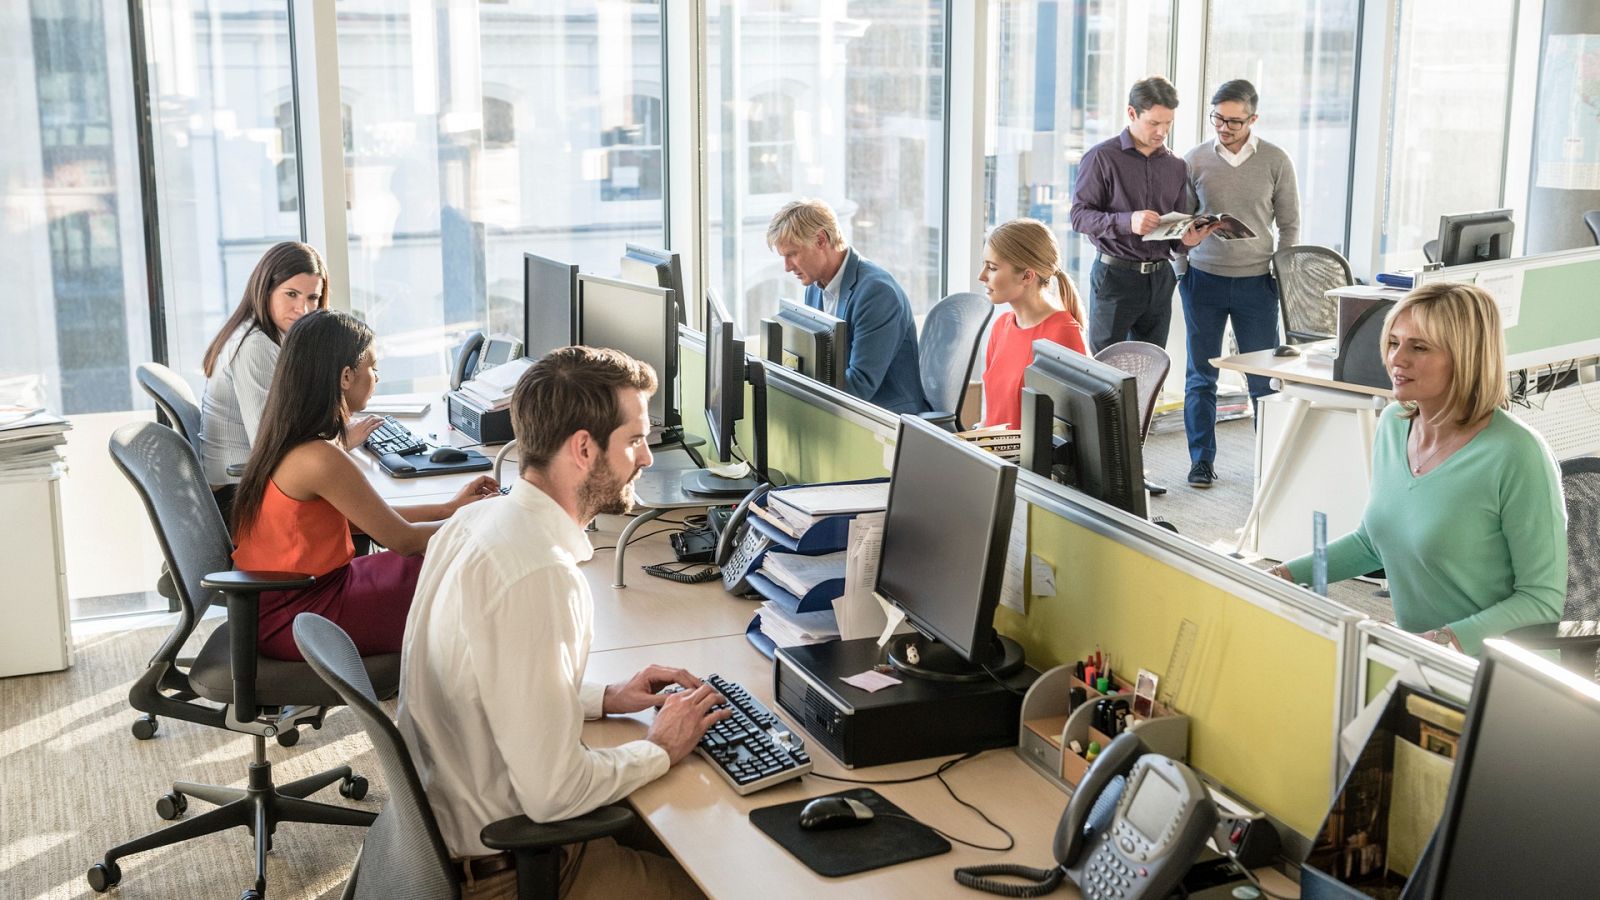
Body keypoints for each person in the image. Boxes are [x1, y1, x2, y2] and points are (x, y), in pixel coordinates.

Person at [397, 346, 730, 900]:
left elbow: (483, 685)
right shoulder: (538, 575)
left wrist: (603, 696)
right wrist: (661, 747)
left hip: (449, 839)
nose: (645, 458)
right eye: (633, 440)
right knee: (733, 879)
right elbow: (553, 794)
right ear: (583, 448)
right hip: (512, 873)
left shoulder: (474, 522)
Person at [1270, 283, 1566, 656]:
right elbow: (1373, 541)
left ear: (1465, 356)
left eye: (1419, 347)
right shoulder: (1395, 423)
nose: (1397, 359)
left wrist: (1443, 640)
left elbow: (1541, 601)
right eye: (1393, 342)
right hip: (1420, 654)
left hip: (1496, 670)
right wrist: (1285, 575)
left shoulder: (1517, 454)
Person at [230, 310, 498, 661]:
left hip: (288, 599)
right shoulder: (319, 458)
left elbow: (364, 518)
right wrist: (487, 523)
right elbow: (402, 540)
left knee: (443, 563)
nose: (376, 377)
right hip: (303, 617)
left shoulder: (288, 438)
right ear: (345, 376)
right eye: (373, 367)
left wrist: (448, 510)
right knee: (464, 569)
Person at [198, 241, 381, 519]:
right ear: (266, 290)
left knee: (365, 502)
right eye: (292, 294)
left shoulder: (276, 337)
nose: (303, 309)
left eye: (313, 298)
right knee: (363, 512)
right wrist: (341, 443)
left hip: (247, 486)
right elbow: (269, 446)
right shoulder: (254, 345)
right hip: (237, 499)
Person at [1180, 79, 1301, 489]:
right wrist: (1182, 272)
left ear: (1253, 118)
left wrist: (1282, 278)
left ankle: (1269, 463)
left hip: (1256, 283)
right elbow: (1179, 222)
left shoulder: (1275, 160)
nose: (1224, 127)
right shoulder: (1195, 159)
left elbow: (1289, 225)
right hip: (1203, 280)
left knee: (1262, 379)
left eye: (1234, 120)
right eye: (1217, 117)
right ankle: (1201, 462)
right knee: (1201, 375)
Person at [1069, 75, 1215, 354]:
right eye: (1154, 123)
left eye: (1168, 123)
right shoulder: (1101, 158)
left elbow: (1175, 237)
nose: (1162, 131)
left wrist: (1189, 240)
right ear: (1132, 113)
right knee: (1105, 371)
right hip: (1115, 277)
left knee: (1151, 369)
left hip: (1160, 279)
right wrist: (1128, 221)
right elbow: (1079, 216)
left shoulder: (1176, 166)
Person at [767, 199, 929, 413]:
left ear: (821, 240)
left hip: (886, 418)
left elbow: (859, 385)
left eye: (793, 254)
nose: (787, 267)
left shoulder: (877, 294)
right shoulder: (814, 286)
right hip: (845, 409)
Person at [977, 218, 1088, 428]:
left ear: (1027, 276)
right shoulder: (1001, 326)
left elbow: (1073, 432)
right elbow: (992, 416)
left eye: (992, 267)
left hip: (1028, 460)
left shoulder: (1063, 334)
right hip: (995, 454)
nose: (981, 276)